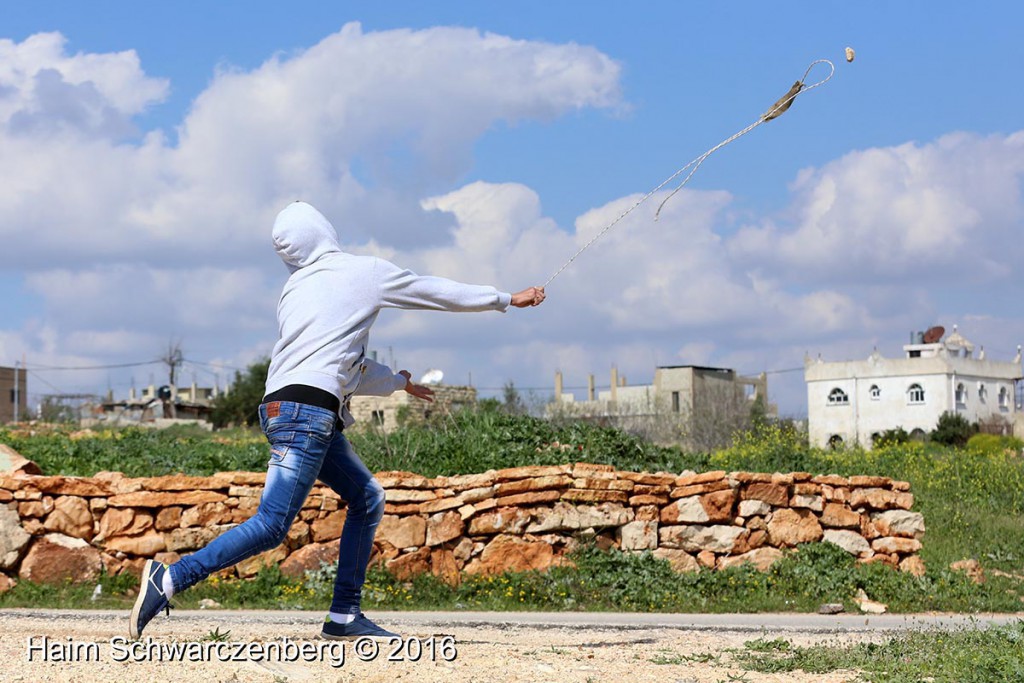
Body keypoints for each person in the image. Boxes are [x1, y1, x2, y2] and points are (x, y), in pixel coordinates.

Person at [130, 200, 545, 640]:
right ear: (324, 230)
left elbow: (338, 365)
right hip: (308, 412)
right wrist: (505, 299)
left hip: (285, 407)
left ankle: (345, 615)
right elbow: (431, 290)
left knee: (367, 498)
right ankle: (171, 579)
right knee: (272, 525)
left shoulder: (296, 289)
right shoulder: (360, 271)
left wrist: (398, 384)